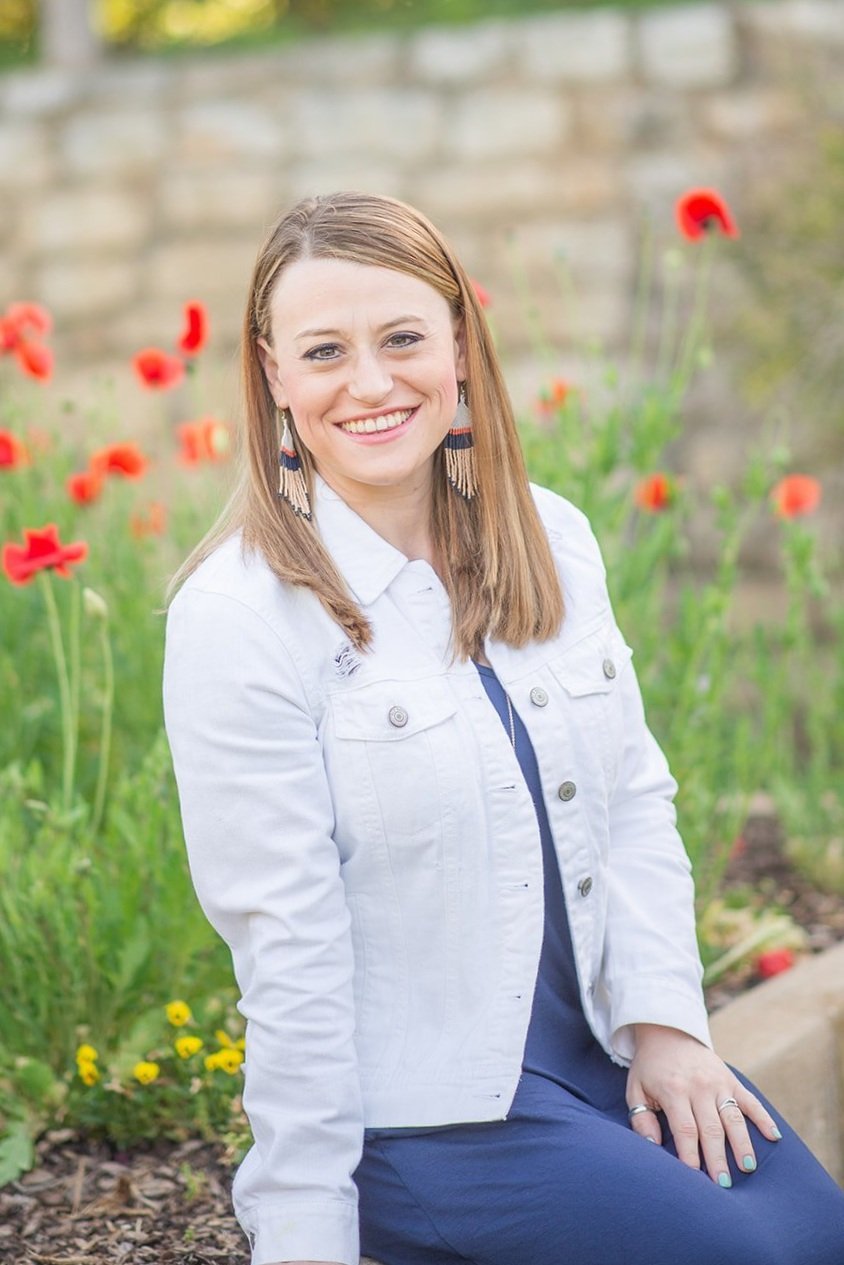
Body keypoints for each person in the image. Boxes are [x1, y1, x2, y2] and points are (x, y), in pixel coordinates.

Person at [162, 191, 844, 1265]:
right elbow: (284, 941)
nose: (373, 381)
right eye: (326, 350)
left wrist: (670, 1025)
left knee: (816, 1234)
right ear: (272, 375)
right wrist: (304, 1230)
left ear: (460, 348)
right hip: (427, 1115)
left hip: (600, 1052)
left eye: (401, 338)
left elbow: (631, 800)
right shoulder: (238, 618)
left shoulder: (552, 536)